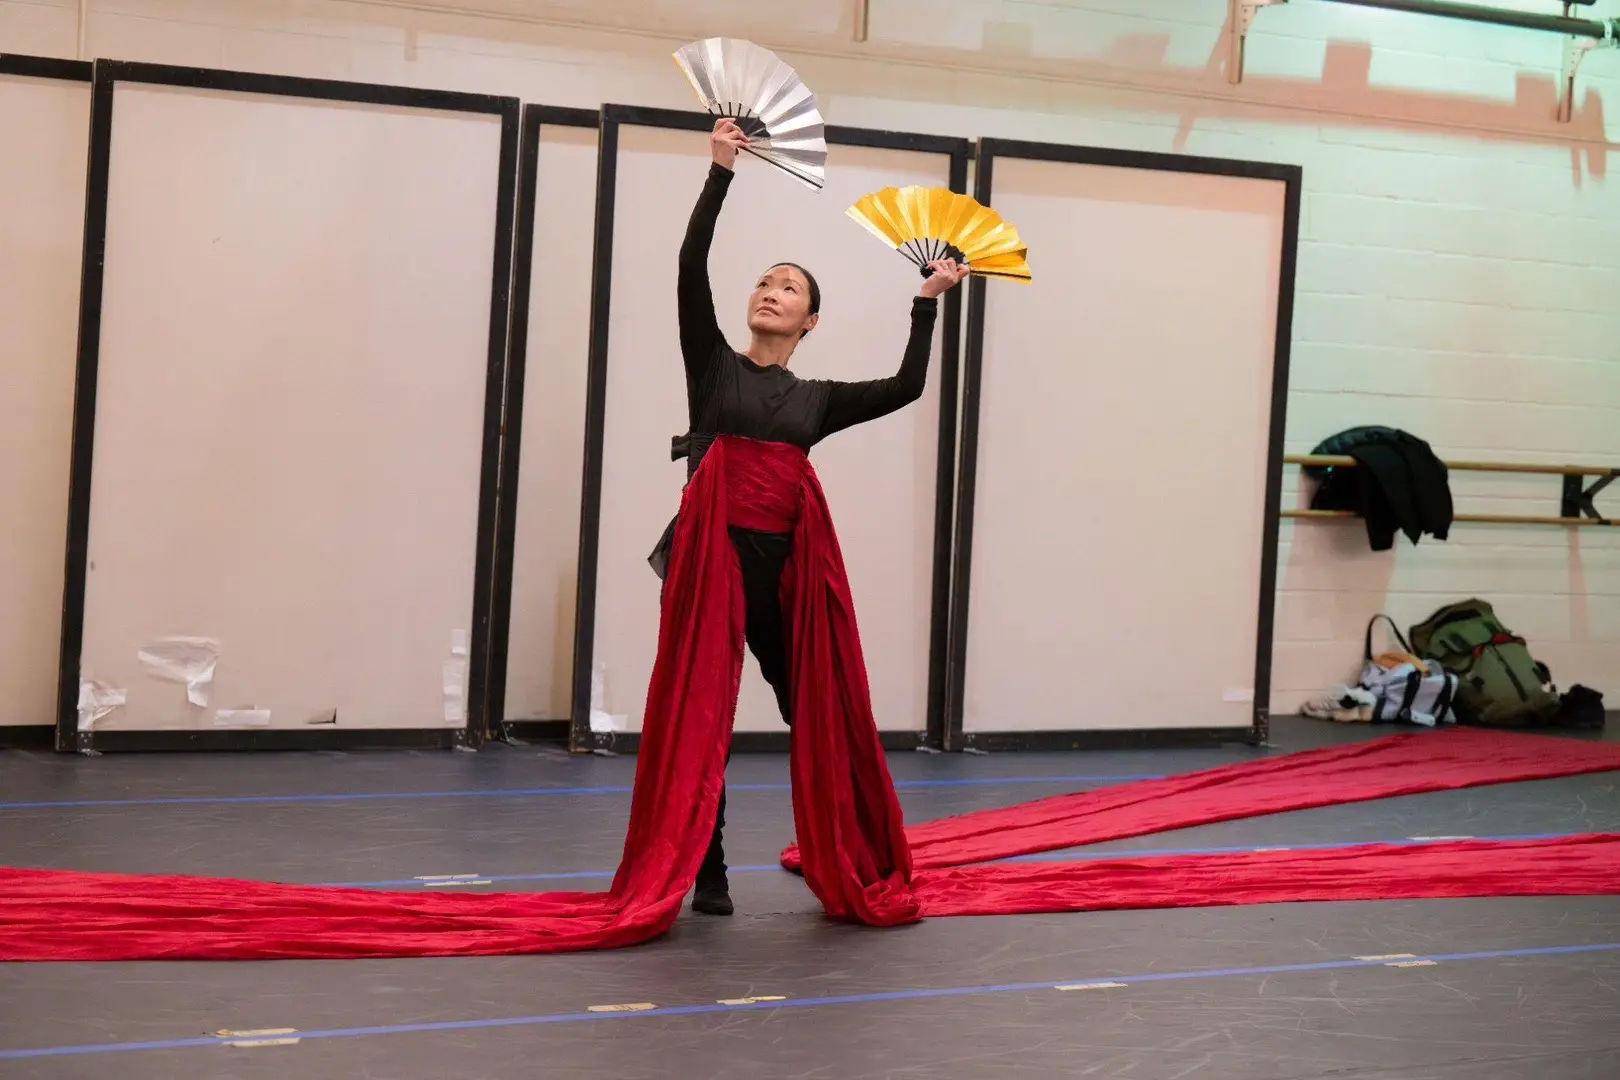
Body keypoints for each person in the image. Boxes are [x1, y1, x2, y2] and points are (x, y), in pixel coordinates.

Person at [656, 118, 967, 917]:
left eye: (789, 287)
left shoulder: (815, 401)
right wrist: (720, 171)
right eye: (765, 281)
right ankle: (708, 869)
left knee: (814, 709)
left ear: (809, 322)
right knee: (703, 719)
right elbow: (691, 265)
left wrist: (925, 303)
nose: (770, 291)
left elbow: (905, 387)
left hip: (783, 574)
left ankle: (843, 844)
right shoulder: (714, 366)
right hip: (708, 562)